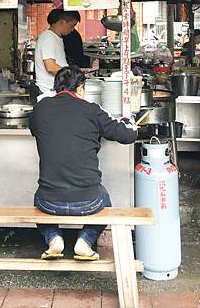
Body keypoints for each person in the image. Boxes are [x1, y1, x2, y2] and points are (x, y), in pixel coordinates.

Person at [29, 65, 137, 260]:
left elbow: (36, 129)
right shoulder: (92, 110)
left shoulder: (40, 109)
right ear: (80, 88)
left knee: (37, 198)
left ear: (56, 88)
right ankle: (85, 241)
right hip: (90, 202)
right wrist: (129, 122)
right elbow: (128, 135)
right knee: (106, 202)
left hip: (49, 202)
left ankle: (54, 239)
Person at [33, 9, 78, 96]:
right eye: (72, 25)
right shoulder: (48, 38)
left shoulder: (56, 38)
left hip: (56, 90)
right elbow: (51, 67)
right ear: (62, 22)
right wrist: (73, 75)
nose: (72, 29)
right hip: (48, 92)